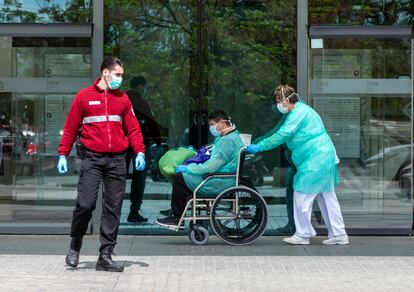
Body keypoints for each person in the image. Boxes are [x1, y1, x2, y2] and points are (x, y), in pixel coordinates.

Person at [57, 57, 146, 272]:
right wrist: (62, 154)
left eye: (122, 75)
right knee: (85, 204)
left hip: (117, 160)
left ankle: (105, 255)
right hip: (92, 159)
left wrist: (140, 151)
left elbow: (133, 129)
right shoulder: (83, 97)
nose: (120, 79)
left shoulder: (123, 99)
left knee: (113, 208)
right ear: (105, 73)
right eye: (117, 74)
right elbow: (70, 128)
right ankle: (75, 245)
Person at [247, 85, 349, 245]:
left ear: (287, 100)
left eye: (279, 101)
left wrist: (260, 146)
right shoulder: (303, 111)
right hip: (323, 157)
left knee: (301, 194)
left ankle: (303, 234)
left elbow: (283, 134)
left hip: (316, 159)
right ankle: (338, 234)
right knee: (327, 197)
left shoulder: (298, 113)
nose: (279, 105)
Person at [155, 110, 244, 228]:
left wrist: (189, 168)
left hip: (219, 181)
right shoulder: (230, 137)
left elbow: (211, 166)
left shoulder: (227, 141)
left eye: (213, 124)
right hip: (221, 177)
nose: (211, 128)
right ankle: (176, 210)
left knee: (180, 177)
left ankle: (177, 218)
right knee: (183, 176)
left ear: (222, 122)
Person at [125, 76, 162, 223]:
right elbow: (152, 124)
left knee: (117, 177)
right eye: (144, 87)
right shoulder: (142, 103)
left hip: (121, 145)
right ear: (140, 87)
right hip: (140, 145)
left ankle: (110, 212)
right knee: (139, 178)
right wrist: (158, 141)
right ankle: (134, 211)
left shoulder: (122, 100)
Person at [253, 110, 296, 235]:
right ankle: (294, 224)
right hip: (297, 161)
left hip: (303, 162)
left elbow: (277, 134)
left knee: (300, 197)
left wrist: (257, 144)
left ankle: (298, 228)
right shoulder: (291, 113)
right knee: (294, 193)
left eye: (279, 100)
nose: (277, 105)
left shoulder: (294, 114)